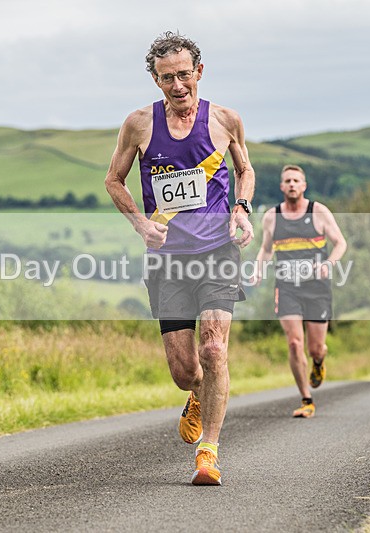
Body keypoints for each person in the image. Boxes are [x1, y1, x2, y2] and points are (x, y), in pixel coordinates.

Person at [105, 32, 254, 485]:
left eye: (184, 75)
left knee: (213, 348)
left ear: (199, 73)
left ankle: (208, 451)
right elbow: (114, 180)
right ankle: (196, 395)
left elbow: (245, 169)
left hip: (217, 252)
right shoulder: (138, 125)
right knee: (184, 370)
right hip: (169, 259)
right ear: (156, 79)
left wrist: (242, 210)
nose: (177, 85)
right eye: (167, 77)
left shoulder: (225, 120)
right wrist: (140, 224)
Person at [251, 165, 347, 418]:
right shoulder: (272, 216)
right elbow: (266, 248)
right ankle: (306, 399)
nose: (292, 184)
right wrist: (259, 268)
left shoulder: (319, 211)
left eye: (296, 180)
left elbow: (340, 243)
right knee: (294, 343)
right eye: (287, 181)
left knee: (316, 347)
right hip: (286, 287)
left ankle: (318, 361)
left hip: (317, 288)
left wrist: (329, 264)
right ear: (281, 187)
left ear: (303, 186)